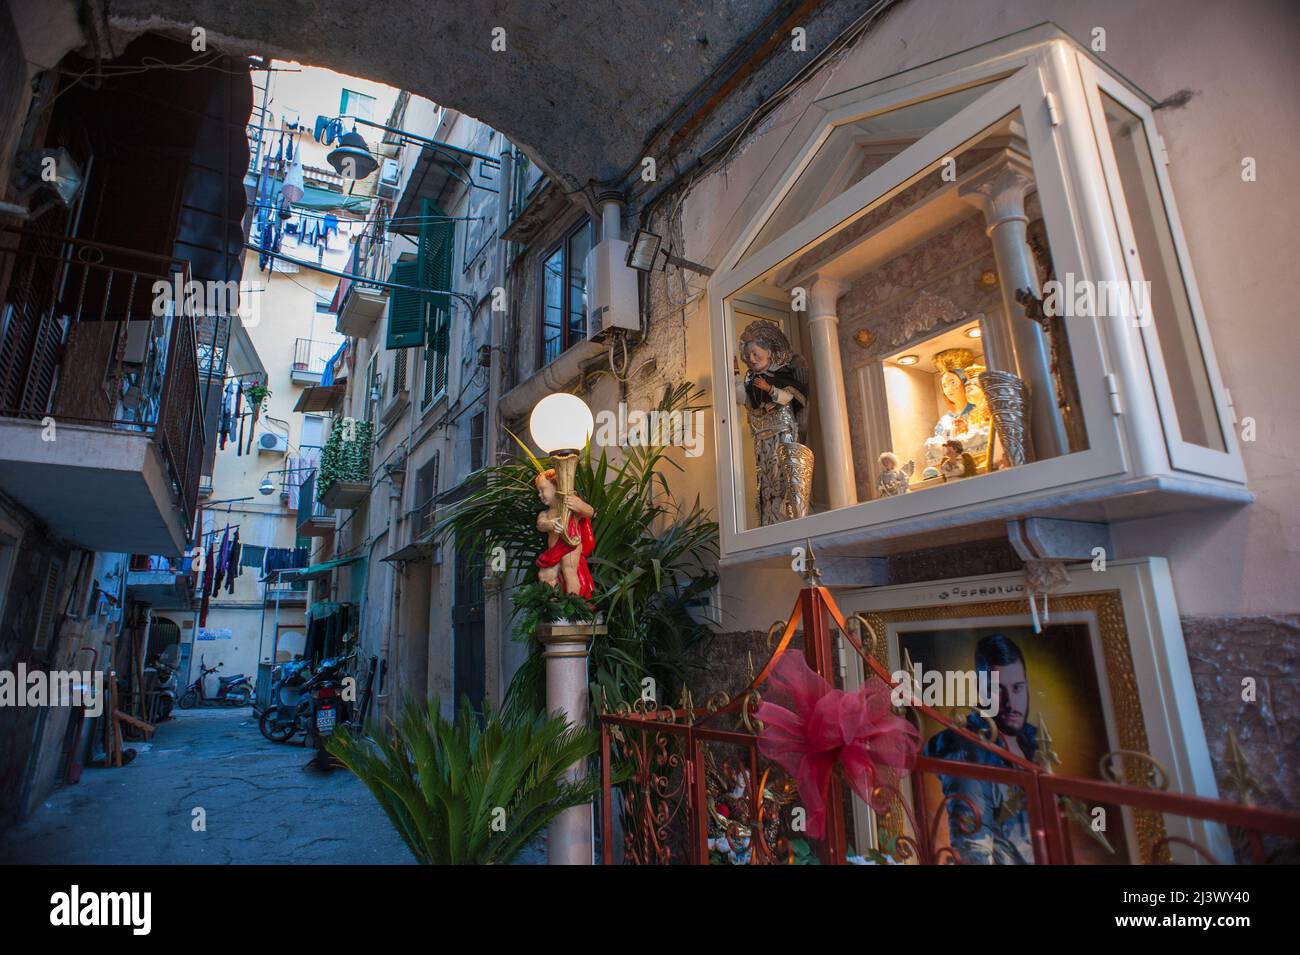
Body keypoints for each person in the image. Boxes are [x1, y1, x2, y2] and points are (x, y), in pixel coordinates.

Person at [924, 633, 1039, 864]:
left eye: (1017, 688)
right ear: (981, 689)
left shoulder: (1030, 739)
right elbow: (974, 851)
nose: (1010, 702)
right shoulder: (969, 751)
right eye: (998, 690)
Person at [733, 321, 813, 525]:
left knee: (783, 475)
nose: (751, 359)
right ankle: (769, 520)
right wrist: (734, 377)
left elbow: (789, 398)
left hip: (781, 430)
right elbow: (746, 401)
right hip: (762, 435)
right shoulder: (751, 379)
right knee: (765, 479)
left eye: (755, 353)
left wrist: (769, 388)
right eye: (747, 356)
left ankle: (790, 517)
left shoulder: (783, 373)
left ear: (769, 352)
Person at [534, 468, 596, 599]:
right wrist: (550, 524)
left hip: (570, 545)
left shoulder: (570, 506)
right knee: (545, 575)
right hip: (554, 551)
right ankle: (553, 604)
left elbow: (590, 511)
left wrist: (579, 505)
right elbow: (540, 524)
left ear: (556, 486)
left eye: (542, 489)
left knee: (569, 572)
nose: (540, 494)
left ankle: (573, 603)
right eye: (538, 491)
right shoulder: (545, 513)